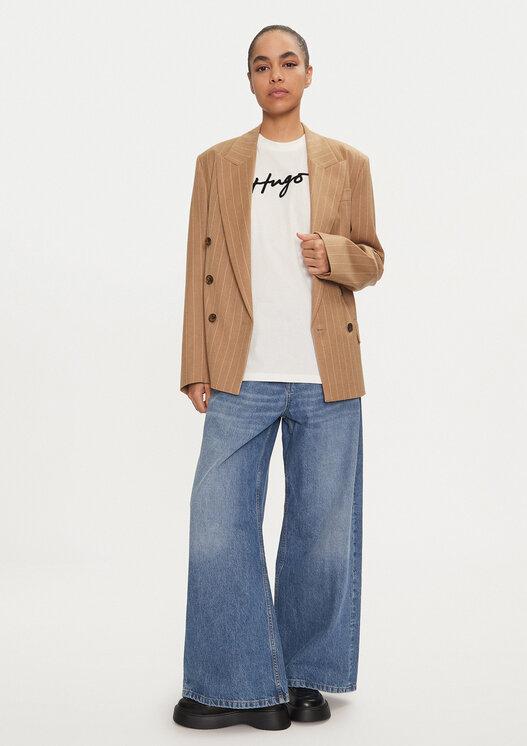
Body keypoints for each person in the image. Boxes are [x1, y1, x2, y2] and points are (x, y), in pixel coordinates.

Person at [172, 24, 385, 731]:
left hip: (327, 373)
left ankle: (301, 676)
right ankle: (235, 683)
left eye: (288, 62)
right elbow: (198, 269)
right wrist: (196, 365)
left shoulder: (347, 162)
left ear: (308, 74)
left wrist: (334, 255)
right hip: (241, 371)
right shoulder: (217, 164)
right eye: (262, 65)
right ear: (250, 79)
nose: (276, 75)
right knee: (216, 523)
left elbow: (373, 259)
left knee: (320, 534)